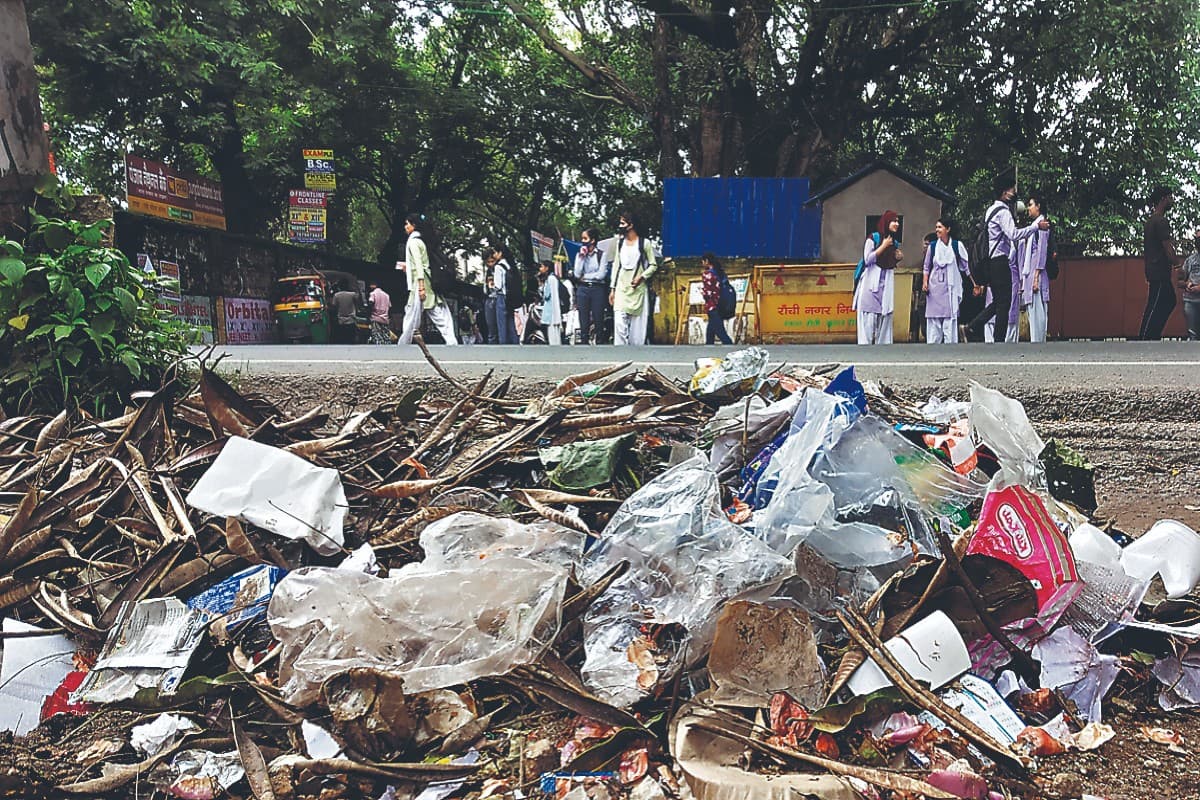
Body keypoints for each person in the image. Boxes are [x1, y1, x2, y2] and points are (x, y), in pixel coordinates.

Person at [969, 169, 1049, 342]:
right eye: (1012, 189)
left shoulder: (990, 210)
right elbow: (1013, 234)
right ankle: (998, 340)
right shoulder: (1003, 212)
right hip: (999, 261)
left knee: (998, 301)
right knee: (1004, 302)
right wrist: (1035, 227)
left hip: (989, 261)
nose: (1014, 193)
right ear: (1005, 192)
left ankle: (973, 327)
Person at [397, 214, 458, 346]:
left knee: (412, 317)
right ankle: (451, 341)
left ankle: (403, 344)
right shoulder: (422, 241)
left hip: (420, 284)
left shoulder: (413, 242)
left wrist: (421, 287)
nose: (405, 227)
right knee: (439, 315)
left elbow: (419, 265)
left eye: (407, 224)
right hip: (427, 283)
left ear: (414, 225)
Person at [608, 210, 657, 345]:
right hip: (621, 287)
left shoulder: (644, 243)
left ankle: (636, 354)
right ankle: (620, 352)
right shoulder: (620, 243)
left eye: (623, 223)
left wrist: (642, 277)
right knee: (619, 323)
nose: (620, 226)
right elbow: (616, 266)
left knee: (637, 331)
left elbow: (653, 265)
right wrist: (612, 289)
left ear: (631, 225)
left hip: (638, 289)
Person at [853, 210, 902, 345]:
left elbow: (888, 262)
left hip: (885, 287)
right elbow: (868, 259)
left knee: (885, 320)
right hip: (870, 287)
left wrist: (897, 257)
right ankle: (865, 352)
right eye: (894, 221)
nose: (897, 224)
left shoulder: (894, 242)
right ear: (886, 222)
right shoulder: (873, 238)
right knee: (868, 323)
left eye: (898, 221)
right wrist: (883, 246)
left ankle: (883, 352)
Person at [922, 219, 973, 344]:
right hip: (934, 289)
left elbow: (966, 267)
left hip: (951, 289)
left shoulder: (956, 246)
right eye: (936, 227)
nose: (937, 230)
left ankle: (950, 349)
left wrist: (975, 284)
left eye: (940, 227)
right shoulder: (933, 247)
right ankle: (933, 349)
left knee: (949, 322)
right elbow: (926, 267)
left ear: (948, 229)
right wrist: (925, 282)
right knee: (934, 323)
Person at [1139, 186, 1179, 341]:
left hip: (1155, 269)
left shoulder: (1151, 221)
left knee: (1169, 300)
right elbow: (1167, 246)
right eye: (1170, 197)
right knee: (1155, 303)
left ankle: (1152, 334)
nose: (1172, 200)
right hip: (1159, 270)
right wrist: (1177, 265)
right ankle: (1145, 337)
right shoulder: (1160, 221)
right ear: (1163, 199)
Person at [1018, 194, 1052, 343]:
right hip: (1031, 272)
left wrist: (1036, 276)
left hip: (1036, 273)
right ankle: (1036, 341)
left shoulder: (1042, 225)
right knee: (1033, 310)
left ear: (1038, 206)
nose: (1028, 208)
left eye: (1031, 205)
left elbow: (1041, 251)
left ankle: (1038, 343)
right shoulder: (1035, 226)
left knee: (1038, 311)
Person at [573, 227, 608, 344]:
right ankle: (584, 342)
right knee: (583, 319)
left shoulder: (601, 255)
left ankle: (600, 341)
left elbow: (601, 275)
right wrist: (581, 257)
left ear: (592, 240)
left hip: (597, 289)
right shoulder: (579, 254)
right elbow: (577, 274)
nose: (583, 241)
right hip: (583, 289)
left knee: (598, 317)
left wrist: (586, 276)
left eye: (585, 238)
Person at [490, 244, 521, 344]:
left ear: (500, 253)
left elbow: (498, 286)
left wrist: (491, 287)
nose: (494, 255)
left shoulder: (498, 267)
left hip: (501, 298)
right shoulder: (510, 265)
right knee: (511, 324)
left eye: (495, 252)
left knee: (502, 325)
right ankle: (515, 344)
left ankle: (503, 345)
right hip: (510, 298)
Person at [700, 252, 733, 345]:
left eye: (703, 261)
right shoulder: (720, 273)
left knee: (721, 333)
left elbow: (708, 293)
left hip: (712, 306)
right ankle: (709, 346)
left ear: (707, 261)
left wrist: (702, 292)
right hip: (722, 304)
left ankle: (730, 347)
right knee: (710, 331)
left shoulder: (707, 274)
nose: (702, 263)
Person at [538, 260, 563, 345]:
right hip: (555, 309)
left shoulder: (549, 279)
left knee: (551, 333)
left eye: (542, 266)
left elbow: (546, 295)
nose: (540, 269)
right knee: (556, 334)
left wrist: (541, 286)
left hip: (550, 310)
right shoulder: (554, 278)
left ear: (547, 268)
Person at [1181, 227, 1200, 340]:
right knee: (1193, 334)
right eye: (1197, 239)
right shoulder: (1190, 260)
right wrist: (1187, 284)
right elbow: (1180, 281)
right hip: (1191, 300)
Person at [483, 271, 499, 344]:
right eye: (490, 280)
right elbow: (485, 291)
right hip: (490, 300)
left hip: (497, 299)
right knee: (492, 327)